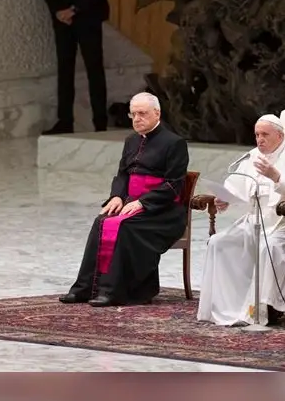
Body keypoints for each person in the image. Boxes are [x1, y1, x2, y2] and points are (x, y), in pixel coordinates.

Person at [59, 92, 189, 306]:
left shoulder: (174, 143)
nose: (137, 119)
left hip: (162, 212)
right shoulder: (131, 141)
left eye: (142, 113)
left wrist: (143, 202)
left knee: (126, 227)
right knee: (101, 222)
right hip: (132, 204)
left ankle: (115, 291)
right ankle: (84, 288)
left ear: (157, 113)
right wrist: (117, 196)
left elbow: (174, 184)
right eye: (133, 114)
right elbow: (123, 174)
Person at [196, 114, 285, 326]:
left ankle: (264, 308)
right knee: (219, 243)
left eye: (265, 135)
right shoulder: (252, 156)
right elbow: (236, 186)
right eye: (257, 135)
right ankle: (225, 306)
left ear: (280, 136)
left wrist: (277, 177)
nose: (259, 139)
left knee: (268, 246)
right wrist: (224, 199)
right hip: (255, 222)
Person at [39, 0, 110, 135]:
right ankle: (65, 121)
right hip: (62, 21)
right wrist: (58, 11)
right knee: (65, 70)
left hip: (89, 16)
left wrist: (74, 9)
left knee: (94, 70)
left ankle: (100, 124)